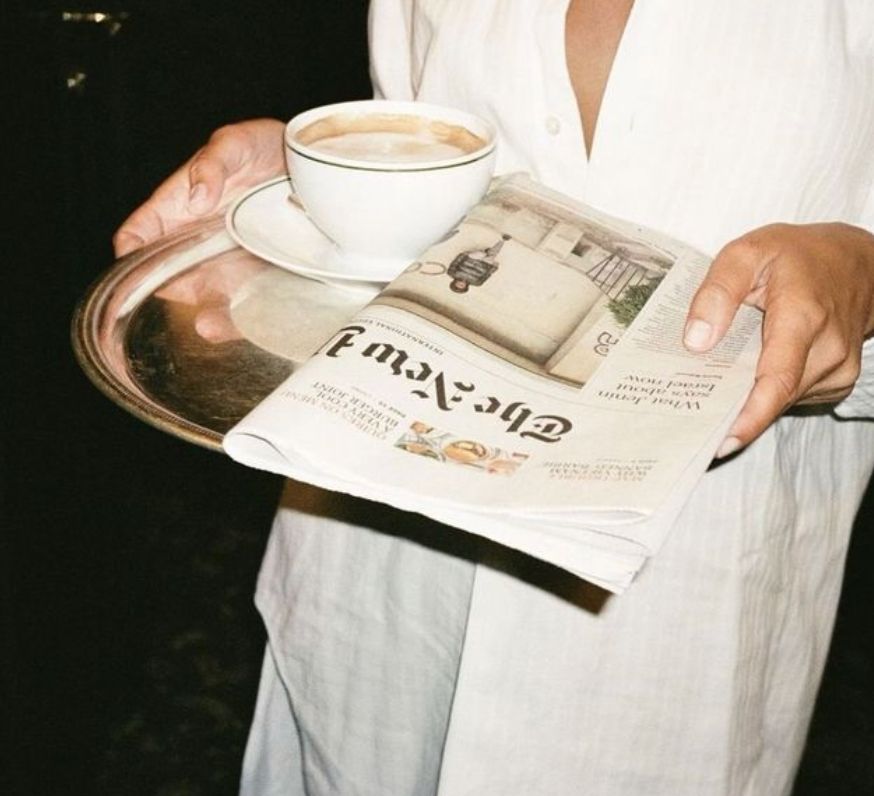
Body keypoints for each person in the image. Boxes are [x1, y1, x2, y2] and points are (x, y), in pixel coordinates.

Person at [115, 1, 874, 793]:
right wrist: (320, 198)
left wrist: (865, 277)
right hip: (377, 583)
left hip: (674, 637)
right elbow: (435, 174)